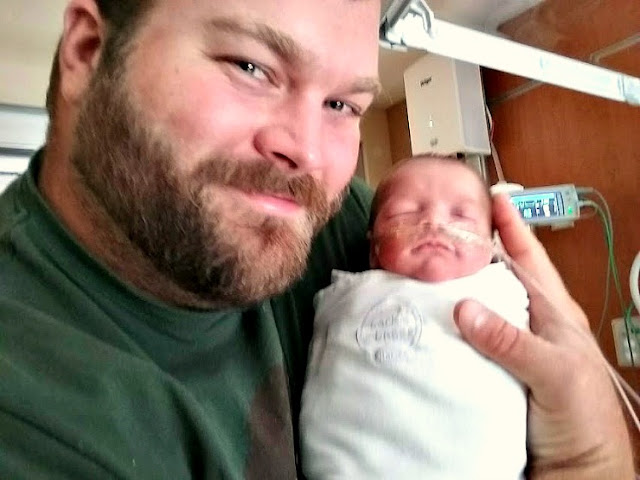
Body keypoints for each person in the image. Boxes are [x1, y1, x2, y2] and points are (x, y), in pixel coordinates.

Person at [0, 0, 634, 478]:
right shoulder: (35, 418)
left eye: (342, 106)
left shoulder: (335, 224)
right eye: (251, 67)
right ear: (87, 49)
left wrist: (587, 443)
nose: (304, 152)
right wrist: (592, 465)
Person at [300, 155, 530, 479]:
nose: (434, 222)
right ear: (373, 249)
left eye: (461, 215)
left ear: (492, 245)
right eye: (405, 213)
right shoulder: (353, 294)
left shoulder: (502, 290)